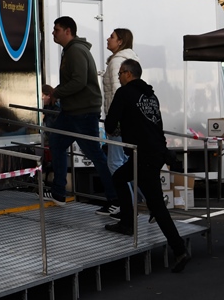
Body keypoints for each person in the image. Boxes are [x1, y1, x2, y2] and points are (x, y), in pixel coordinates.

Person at [103, 59, 191, 273]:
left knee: (156, 205)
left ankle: (179, 249)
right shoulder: (151, 96)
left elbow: (110, 124)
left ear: (128, 74)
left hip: (143, 155)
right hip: (156, 152)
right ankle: (127, 221)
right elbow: (155, 125)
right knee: (119, 177)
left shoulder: (124, 93)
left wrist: (119, 128)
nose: (118, 77)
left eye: (120, 73)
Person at [41, 16, 119, 214]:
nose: (53, 33)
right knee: (57, 143)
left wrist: (56, 93)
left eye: (56, 29)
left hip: (82, 113)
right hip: (73, 111)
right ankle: (59, 192)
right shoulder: (71, 50)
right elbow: (76, 81)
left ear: (68, 31)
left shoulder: (75, 50)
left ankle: (115, 199)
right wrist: (57, 93)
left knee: (95, 155)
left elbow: (79, 81)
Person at [102, 28, 141, 215]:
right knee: (128, 166)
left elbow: (118, 94)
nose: (108, 39)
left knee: (115, 164)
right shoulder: (130, 59)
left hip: (118, 122)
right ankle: (153, 202)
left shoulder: (117, 62)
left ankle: (128, 208)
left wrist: (113, 121)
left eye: (112, 37)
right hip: (129, 121)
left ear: (120, 42)